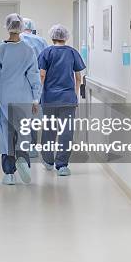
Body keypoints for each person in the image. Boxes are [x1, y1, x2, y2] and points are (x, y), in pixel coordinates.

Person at [0, 14, 41, 185]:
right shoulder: (28, 50)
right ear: (22, 27)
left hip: (4, 98)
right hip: (23, 98)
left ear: (7, 27)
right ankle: (23, 160)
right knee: (22, 132)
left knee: (6, 134)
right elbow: (34, 77)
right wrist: (35, 100)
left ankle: (9, 173)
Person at [37, 24, 86, 176]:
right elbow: (78, 77)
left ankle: (48, 160)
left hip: (49, 99)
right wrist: (74, 94)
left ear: (52, 37)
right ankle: (62, 165)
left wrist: (38, 95)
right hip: (68, 99)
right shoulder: (72, 53)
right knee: (66, 132)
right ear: (66, 37)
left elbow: (42, 75)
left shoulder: (46, 52)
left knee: (49, 131)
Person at [20, 18, 49, 158]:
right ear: (33, 28)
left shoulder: (13, 41)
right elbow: (46, 63)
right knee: (34, 115)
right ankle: (32, 146)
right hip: (36, 83)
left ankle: (20, 145)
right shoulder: (41, 41)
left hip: (17, 83)